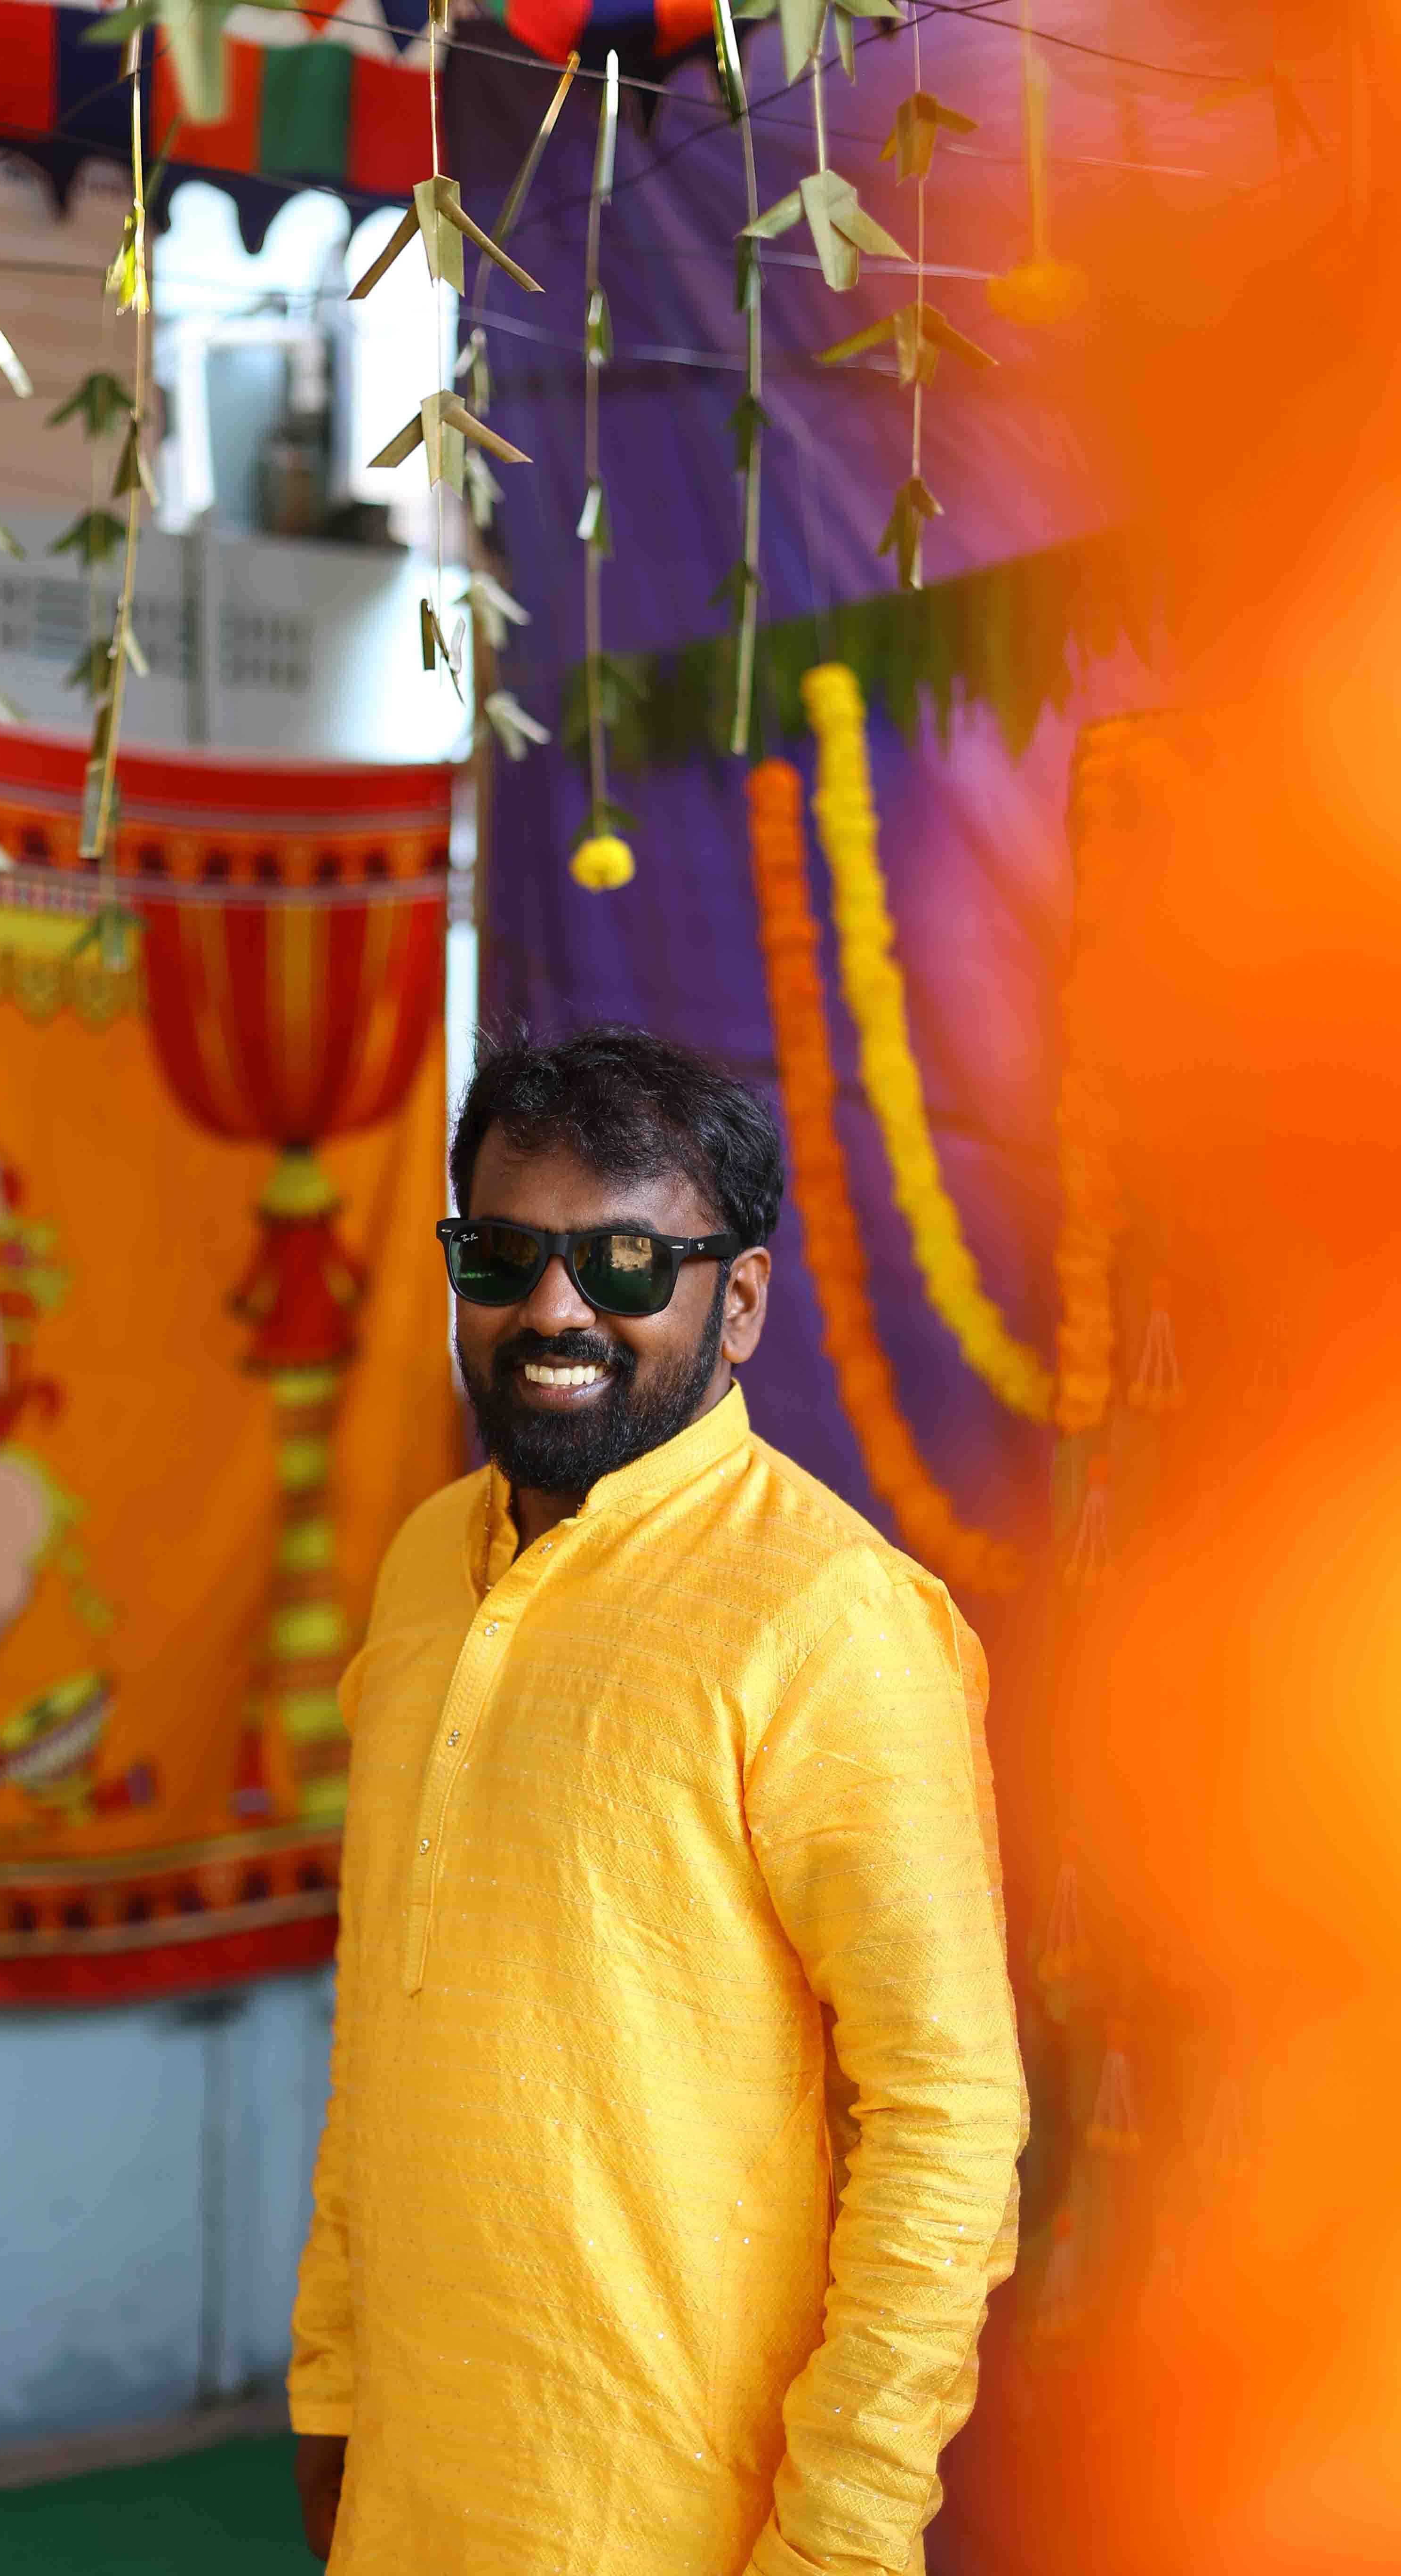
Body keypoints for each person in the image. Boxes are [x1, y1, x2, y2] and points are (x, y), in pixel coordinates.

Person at [288, 1026, 1027, 2576]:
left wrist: (836, 2535)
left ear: (735, 1301)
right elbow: (383, 2019)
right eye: (499, 1253)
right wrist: (334, 2385)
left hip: (680, 2518)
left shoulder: (830, 1616)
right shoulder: (427, 1565)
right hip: (411, 2494)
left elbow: (945, 2124)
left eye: (625, 1260)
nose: (552, 1309)